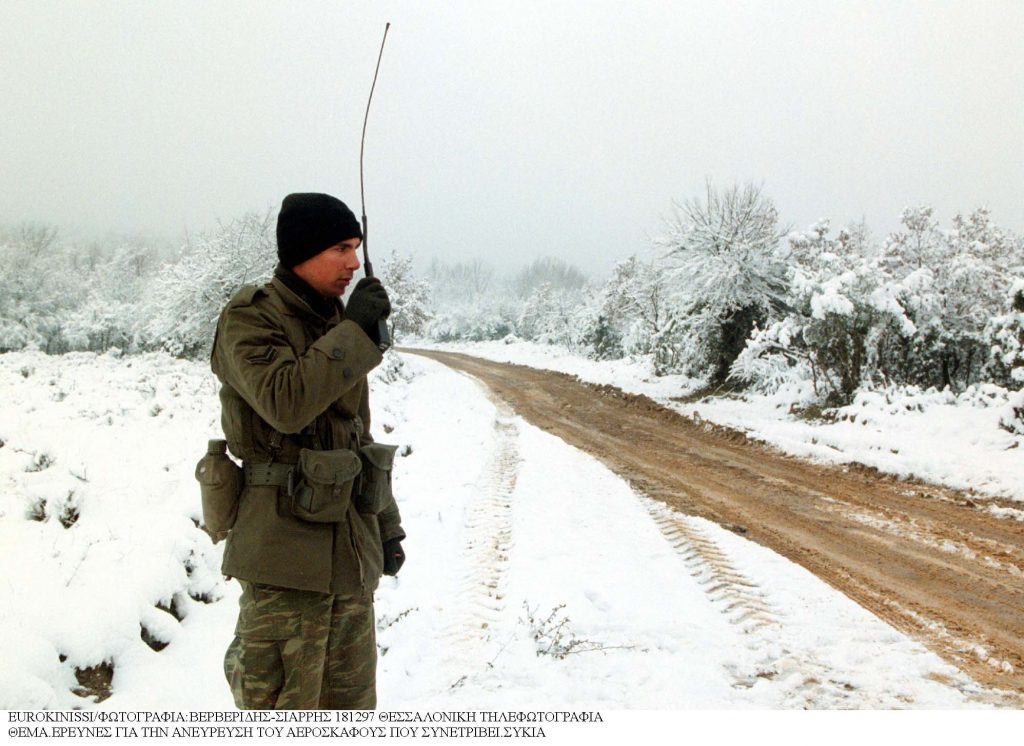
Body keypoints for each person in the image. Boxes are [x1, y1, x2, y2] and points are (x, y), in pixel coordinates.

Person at [210, 192, 406, 709]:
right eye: (341, 247)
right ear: (302, 251)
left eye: (357, 247)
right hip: (283, 565)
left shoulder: (333, 323)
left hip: (350, 559)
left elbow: (356, 437)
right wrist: (352, 332)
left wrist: (386, 526)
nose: (354, 262)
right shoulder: (250, 318)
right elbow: (285, 402)